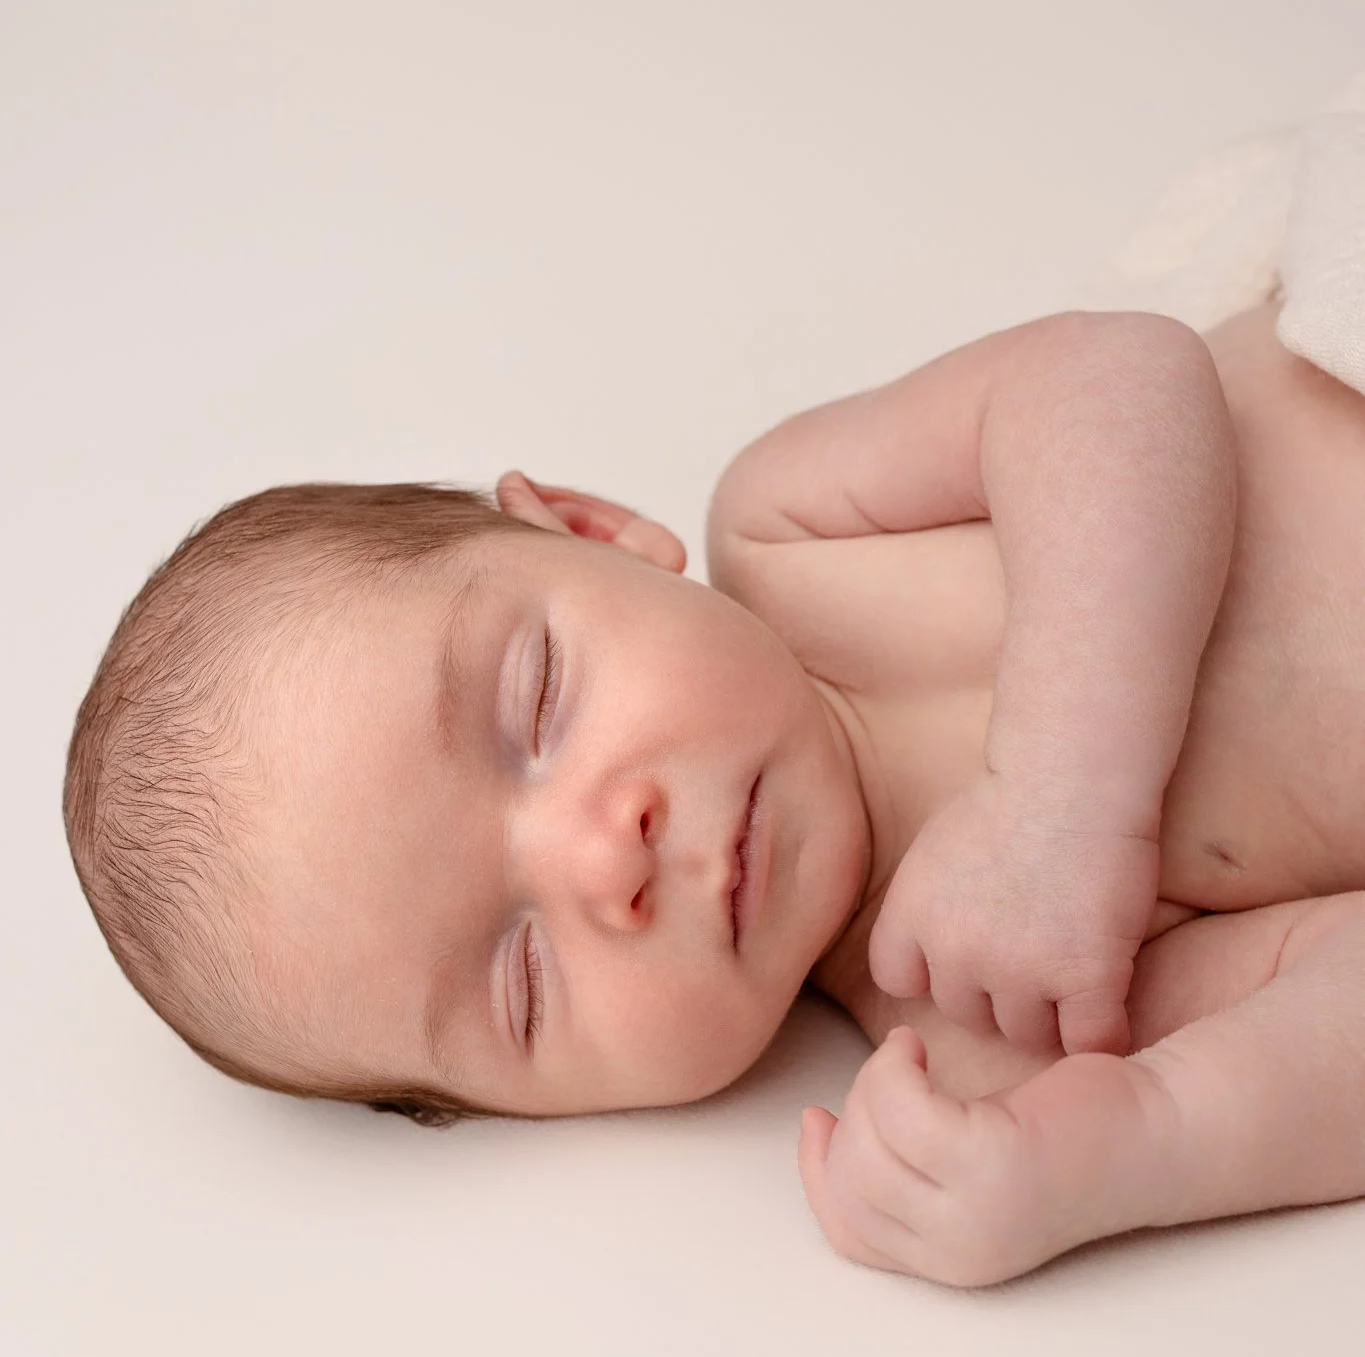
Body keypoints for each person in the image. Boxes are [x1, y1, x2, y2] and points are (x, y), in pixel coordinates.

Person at [63, 298, 1365, 1286]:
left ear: (590, 530)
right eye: (521, 976)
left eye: (534, 707)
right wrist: (1130, 1149)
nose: (601, 863)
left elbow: (1122, 381)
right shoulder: (987, 1021)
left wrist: (1063, 799)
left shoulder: (799, 531)